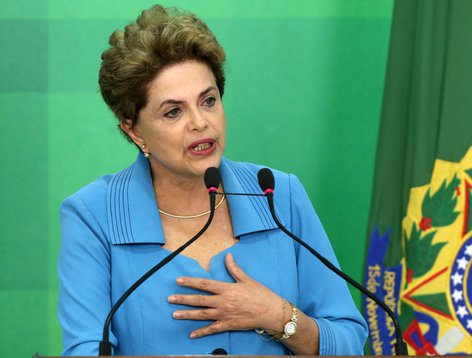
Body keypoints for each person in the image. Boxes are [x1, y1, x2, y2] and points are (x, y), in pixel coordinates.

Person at [57, 4, 368, 356]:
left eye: (208, 101)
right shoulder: (93, 216)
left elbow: (348, 343)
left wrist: (276, 315)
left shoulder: (277, 195)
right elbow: (86, 350)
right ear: (134, 129)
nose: (200, 123)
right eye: (173, 111)